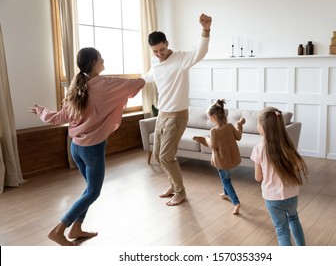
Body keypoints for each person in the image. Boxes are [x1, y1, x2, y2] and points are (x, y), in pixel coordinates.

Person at [29, 47, 145, 246]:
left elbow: (58, 118)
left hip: (76, 148)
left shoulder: (75, 88)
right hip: (92, 150)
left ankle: (76, 228)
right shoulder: (106, 83)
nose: (103, 59)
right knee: (93, 192)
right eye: (100, 57)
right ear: (93, 63)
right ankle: (59, 230)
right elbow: (139, 83)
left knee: (89, 189)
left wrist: (41, 111)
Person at [142, 13, 212, 206]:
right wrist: (131, 85)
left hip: (178, 116)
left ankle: (180, 192)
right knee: (157, 155)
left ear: (167, 43)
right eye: (155, 51)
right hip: (162, 115)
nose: (159, 54)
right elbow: (149, 75)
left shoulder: (181, 58)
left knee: (166, 156)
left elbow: (201, 51)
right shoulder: (156, 61)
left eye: (162, 49)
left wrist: (205, 30)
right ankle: (173, 185)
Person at [250, 106, 309, 246]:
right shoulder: (288, 146)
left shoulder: (258, 149)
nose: (257, 126)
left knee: (282, 230)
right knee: (294, 219)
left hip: (272, 198)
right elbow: (299, 166)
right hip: (291, 195)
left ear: (263, 127)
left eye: (258, 123)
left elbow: (258, 178)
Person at [193, 99, 245, 215]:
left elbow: (213, 146)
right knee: (225, 177)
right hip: (230, 158)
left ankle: (236, 202)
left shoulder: (213, 131)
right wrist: (239, 125)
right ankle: (226, 193)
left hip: (221, 160)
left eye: (209, 117)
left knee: (226, 180)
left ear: (214, 117)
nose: (209, 119)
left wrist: (204, 139)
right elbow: (239, 136)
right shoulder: (230, 126)